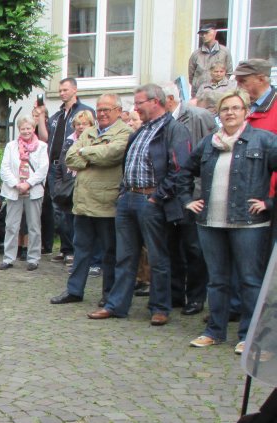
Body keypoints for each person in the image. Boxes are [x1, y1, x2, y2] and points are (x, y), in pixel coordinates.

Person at [177, 89, 277, 353]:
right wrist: (187, 200)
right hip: (211, 222)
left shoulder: (263, 140)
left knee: (249, 280)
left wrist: (269, 203)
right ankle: (214, 331)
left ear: (246, 111)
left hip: (249, 224)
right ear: (218, 114)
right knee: (217, 280)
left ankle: (248, 336)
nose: (230, 113)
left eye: (235, 108)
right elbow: (184, 171)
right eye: (225, 109)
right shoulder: (209, 143)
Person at [88, 84, 191, 326]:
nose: (135, 108)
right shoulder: (141, 130)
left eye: (139, 103)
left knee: (157, 257)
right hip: (129, 199)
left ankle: (160, 307)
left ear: (156, 102)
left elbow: (180, 169)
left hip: (151, 200)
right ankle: (116, 305)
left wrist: (157, 197)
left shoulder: (174, 129)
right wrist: (123, 193)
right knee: (124, 257)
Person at [50, 94, 132, 306]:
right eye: (99, 109)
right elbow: (70, 158)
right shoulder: (89, 131)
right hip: (83, 202)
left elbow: (112, 154)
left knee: (109, 252)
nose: (102, 113)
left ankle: (109, 294)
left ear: (118, 111)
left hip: (107, 203)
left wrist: (85, 152)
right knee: (80, 249)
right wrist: (92, 156)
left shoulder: (125, 132)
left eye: (106, 109)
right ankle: (74, 290)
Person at [163, 81, 215, 316]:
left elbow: (209, 151)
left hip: (193, 194)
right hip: (169, 194)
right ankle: (175, 294)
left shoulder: (198, 116)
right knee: (172, 247)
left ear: (169, 100)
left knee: (194, 248)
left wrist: (201, 191)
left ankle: (195, 297)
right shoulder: (162, 122)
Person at [35, 77, 94, 258]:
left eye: (65, 90)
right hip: (55, 167)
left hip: (74, 168)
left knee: (74, 209)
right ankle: (66, 248)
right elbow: (45, 137)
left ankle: (77, 251)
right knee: (59, 210)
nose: (61, 93)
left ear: (75, 90)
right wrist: (41, 116)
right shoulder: (57, 115)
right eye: (60, 90)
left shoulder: (84, 112)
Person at [0, 117, 48, 270]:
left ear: (33, 129)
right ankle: (8, 258)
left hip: (33, 191)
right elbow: (4, 168)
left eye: (29, 128)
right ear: (19, 129)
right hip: (14, 191)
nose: (26, 131)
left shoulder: (42, 146)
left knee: (34, 226)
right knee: (11, 226)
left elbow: (43, 169)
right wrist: (16, 184)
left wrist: (28, 183)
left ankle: (33, 258)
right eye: (23, 128)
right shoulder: (11, 146)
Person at [188, 24, 233, 93]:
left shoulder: (225, 52)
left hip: (219, 93)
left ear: (215, 33)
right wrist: (197, 86)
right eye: (202, 34)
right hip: (199, 93)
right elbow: (191, 76)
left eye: (206, 33)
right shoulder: (196, 54)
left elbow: (229, 72)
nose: (204, 36)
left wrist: (220, 86)